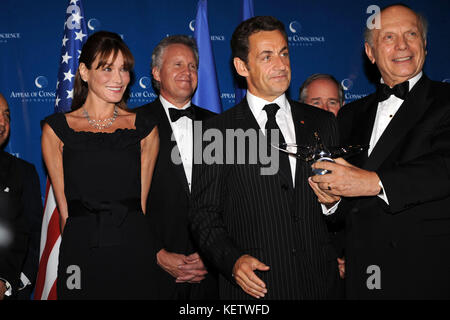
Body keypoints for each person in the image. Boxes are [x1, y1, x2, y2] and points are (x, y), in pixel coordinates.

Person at [189, 16, 341, 300]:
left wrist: (332, 206)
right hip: (255, 289)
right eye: (267, 56)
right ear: (241, 66)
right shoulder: (216, 132)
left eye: (284, 53)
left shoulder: (323, 123)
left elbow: (344, 210)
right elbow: (203, 215)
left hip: (321, 285)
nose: (281, 64)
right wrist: (232, 262)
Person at [310, 4, 450, 299]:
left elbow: (444, 167)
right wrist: (333, 201)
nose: (402, 45)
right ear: (370, 52)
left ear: (424, 43)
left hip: (427, 271)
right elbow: (346, 206)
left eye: (411, 34)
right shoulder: (350, 115)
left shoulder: (445, 100)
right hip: (363, 274)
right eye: (388, 37)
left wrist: (372, 182)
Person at [41, 31, 159, 299]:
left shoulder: (145, 129)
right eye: (107, 68)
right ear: (84, 71)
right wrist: (73, 256)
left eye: (124, 69)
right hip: (80, 249)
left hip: (133, 247)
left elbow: (141, 206)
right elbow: (64, 212)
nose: (119, 79)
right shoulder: (56, 130)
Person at [135, 35, 218, 299]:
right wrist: (155, 253)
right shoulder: (132, 125)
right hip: (152, 273)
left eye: (193, 66)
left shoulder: (221, 126)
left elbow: (234, 199)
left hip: (212, 277)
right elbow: (123, 202)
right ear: (157, 73)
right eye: (178, 64)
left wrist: (215, 254)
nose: (187, 72)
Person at [0, 93, 42, 300]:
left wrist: (10, 283)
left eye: (6, 115)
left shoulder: (23, 172)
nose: (2, 122)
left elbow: (33, 235)